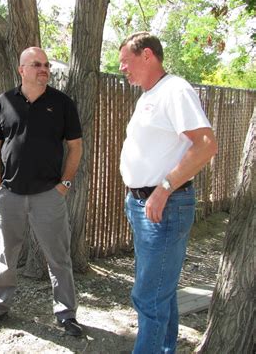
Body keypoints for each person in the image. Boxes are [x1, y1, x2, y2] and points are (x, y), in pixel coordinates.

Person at [118, 32, 218, 353]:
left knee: (148, 295)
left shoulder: (175, 90)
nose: (121, 68)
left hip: (164, 205)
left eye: (125, 61)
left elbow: (205, 145)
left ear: (147, 55)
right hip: (142, 205)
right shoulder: (149, 95)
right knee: (161, 289)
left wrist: (163, 188)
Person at [0, 47, 83, 336]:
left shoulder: (62, 103)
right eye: (36, 64)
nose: (44, 69)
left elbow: (75, 147)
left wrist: (65, 184)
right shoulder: (3, 102)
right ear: (21, 69)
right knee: (5, 254)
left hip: (49, 194)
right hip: (9, 193)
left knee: (58, 256)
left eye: (46, 64)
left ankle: (66, 314)